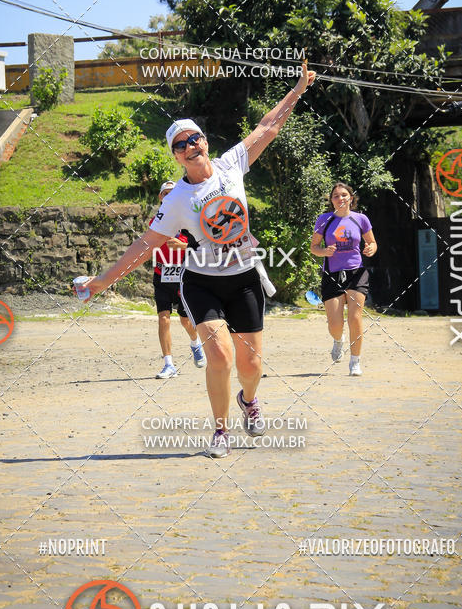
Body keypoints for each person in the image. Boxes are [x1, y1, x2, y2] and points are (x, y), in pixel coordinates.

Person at [83, 61, 315, 457]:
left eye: (195, 139)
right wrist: (102, 281)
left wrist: (296, 90)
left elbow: (268, 127)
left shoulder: (231, 166)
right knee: (221, 357)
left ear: (206, 142)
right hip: (201, 282)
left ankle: (249, 400)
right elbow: (145, 245)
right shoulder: (175, 200)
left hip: (243, 278)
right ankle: (221, 431)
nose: (190, 147)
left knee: (251, 366)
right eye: (181, 144)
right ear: (175, 156)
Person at [310, 182, 377, 376]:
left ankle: (355, 362)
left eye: (344, 195)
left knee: (355, 318)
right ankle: (338, 340)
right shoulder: (324, 219)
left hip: (357, 273)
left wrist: (371, 248)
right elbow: (314, 247)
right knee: (335, 325)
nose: (340, 198)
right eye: (336, 196)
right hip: (332, 274)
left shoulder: (361, 219)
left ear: (351, 198)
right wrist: (324, 251)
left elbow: (372, 242)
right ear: (332, 201)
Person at [151, 180, 206, 378]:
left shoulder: (188, 222)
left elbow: (200, 247)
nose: (168, 196)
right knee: (163, 319)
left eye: (172, 193)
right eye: (165, 193)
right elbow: (147, 245)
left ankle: (195, 343)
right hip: (161, 275)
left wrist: (181, 246)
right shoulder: (155, 222)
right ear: (160, 197)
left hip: (184, 277)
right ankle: (169, 364)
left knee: (185, 321)